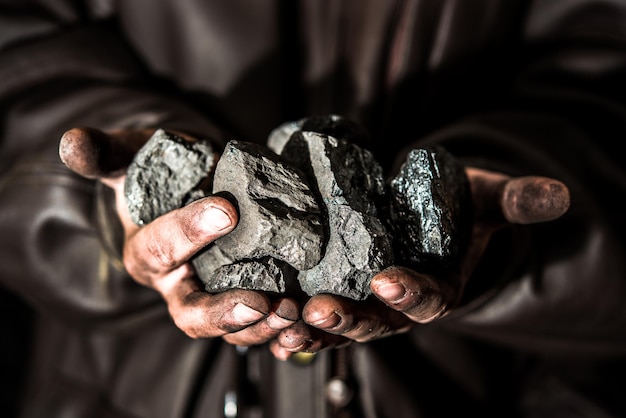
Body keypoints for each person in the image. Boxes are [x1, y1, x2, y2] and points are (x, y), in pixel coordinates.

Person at [0, 1, 625, 417]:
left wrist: (492, 240)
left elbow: (602, 65)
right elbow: (20, 48)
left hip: (482, 387)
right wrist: (112, 206)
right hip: (124, 392)